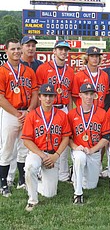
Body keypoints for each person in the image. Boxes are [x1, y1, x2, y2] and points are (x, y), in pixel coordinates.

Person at [21, 83, 71, 211]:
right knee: (31, 167)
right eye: (45, 96)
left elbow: (66, 138)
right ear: (40, 97)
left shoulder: (61, 115)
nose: (48, 99)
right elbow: (26, 140)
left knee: (50, 193)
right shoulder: (32, 115)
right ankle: (32, 200)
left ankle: (34, 183)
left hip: (53, 154)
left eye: (50, 96)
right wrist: (42, 155)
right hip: (37, 153)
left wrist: (56, 156)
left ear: (54, 98)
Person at [0, 38, 38, 197]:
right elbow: (1, 97)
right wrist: (17, 113)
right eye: (13, 49)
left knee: (24, 147)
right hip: (10, 113)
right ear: (6, 51)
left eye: (18, 49)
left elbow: (35, 92)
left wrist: (29, 110)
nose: (16, 52)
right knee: (7, 148)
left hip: (27, 112)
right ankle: (3, 183)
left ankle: (21, 180)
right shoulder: (2, 70)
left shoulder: (28, 71)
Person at [36, 40, 74, 182]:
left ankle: (63, 174)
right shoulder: (43, 68)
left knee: (64, 140)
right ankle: (42, 170)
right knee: (45, 139)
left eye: (65, 50)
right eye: (60, 49)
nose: (63, 52)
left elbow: (69, 93)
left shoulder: (70, 71)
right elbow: (39, 92)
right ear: (54, 51)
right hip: (47, 108)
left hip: (63, 108)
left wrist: (70, 112)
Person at [68, 83, 110, 204]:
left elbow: (106, 137)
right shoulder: (72, 114)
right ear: (80, 95)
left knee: (91, 186)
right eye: (86, 94)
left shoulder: (101, 113)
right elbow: (68, 138)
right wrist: (76, 147)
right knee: (80, 158)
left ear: (95, 96)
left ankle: (75, 173)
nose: (88, 97)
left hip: (94, 152)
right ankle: (78, 193)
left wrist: (92, 149)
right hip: (79, 150)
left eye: (91, 94)